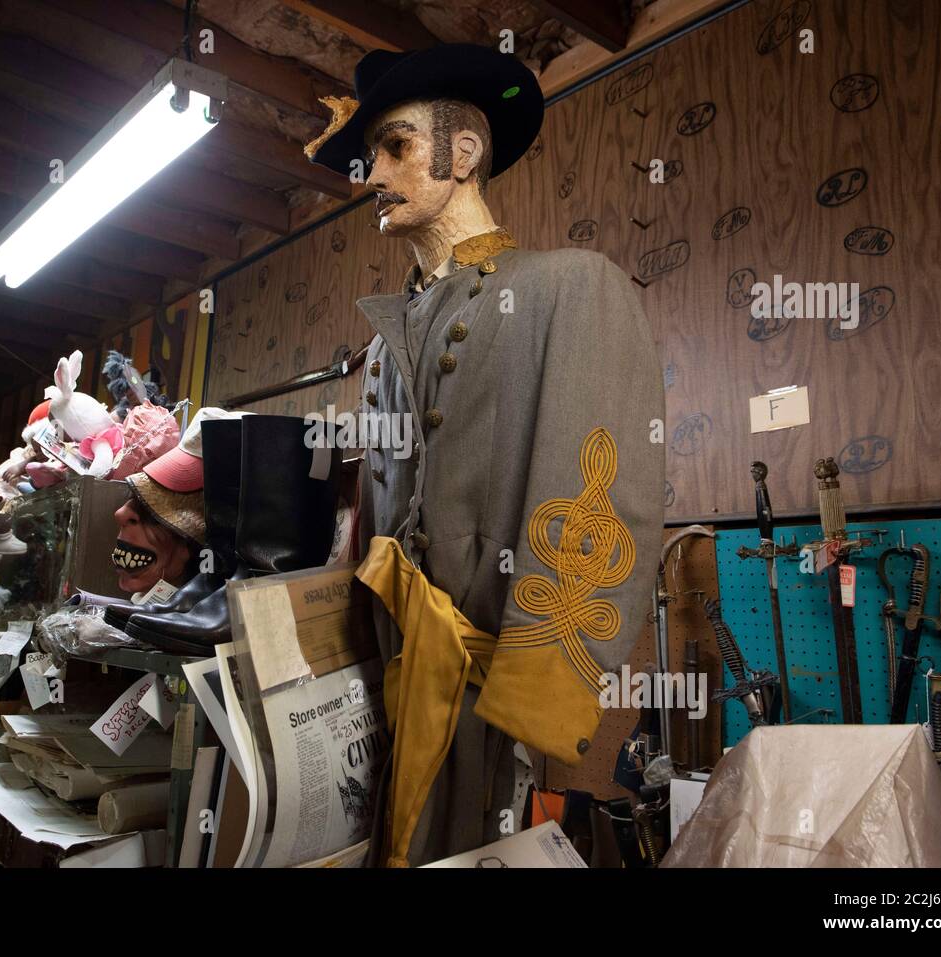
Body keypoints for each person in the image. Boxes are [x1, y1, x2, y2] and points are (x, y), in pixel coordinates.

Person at [306, 44, 665, 866]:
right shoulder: (385, 340)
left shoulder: (569, 286)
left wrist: (539, 692)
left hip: (496, 699)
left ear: (463, 153)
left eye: (395, 146)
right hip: (393, 681)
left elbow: (599, 494)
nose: (373, 175)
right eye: (372, 156)